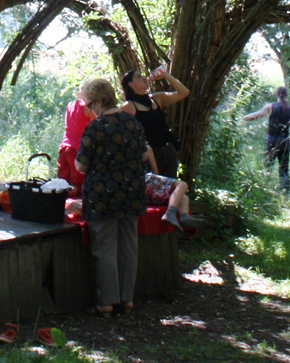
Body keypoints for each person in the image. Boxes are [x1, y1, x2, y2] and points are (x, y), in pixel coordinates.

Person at [73, 75, 152, 316]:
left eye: (87, 104)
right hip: (132, 193)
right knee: (129, 246)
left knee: (104, 248)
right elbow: (143, 156)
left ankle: (106, 302)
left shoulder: (95, 128)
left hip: (102, 197)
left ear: (97, 101)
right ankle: (126, 299)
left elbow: (81, 166)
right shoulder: (132, 123)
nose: (87, 109)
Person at [120, 61, 190, 178]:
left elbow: (184, 92)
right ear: (131, 84)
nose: (143, 78)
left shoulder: (156, 98)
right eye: (138, 77)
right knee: (154, 189)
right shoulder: (128, 106)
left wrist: (166, 75)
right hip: (150, 154)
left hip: (168, 150)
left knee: (170, 187)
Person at [243, 87, 290, 191]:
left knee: (267, 167)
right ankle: (285, 194)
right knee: (284, 170)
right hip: (285, 142)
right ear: (287, 95)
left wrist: (242, 118)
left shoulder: (271, 107)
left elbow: (255, 116)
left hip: (271, 140)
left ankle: (265, 189)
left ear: (276, 94)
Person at [56, 94, 93, 194]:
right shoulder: (89, 108)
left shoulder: (70, 105)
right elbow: (94, 126)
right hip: (77, 148)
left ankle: (59, 204)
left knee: (62, 183)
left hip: (64, 147)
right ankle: (75, 208)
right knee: (78, 186)